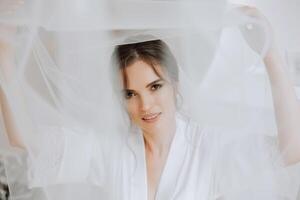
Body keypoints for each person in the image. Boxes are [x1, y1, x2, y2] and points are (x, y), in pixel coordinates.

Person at [1, 2, 300, 200]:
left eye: (155, 86)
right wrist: (4, 54)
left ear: (175, 84)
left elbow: (292, 150)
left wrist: (270, 55)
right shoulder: (111, 149)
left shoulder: (209, 149)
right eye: (130, 94)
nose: (144, 106)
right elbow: (24, 140)